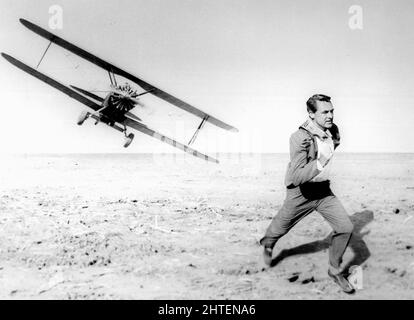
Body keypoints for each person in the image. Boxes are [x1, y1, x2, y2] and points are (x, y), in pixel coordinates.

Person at [260, 94, 355, 294]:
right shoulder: (299, 137)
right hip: (301, 193)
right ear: (311, 114)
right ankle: (268, 243)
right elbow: (296, 176)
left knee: (345, 227)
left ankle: (334, 270)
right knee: (280, 227)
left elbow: (334, 142)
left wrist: (327, 154)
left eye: (332, 111)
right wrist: (320, 163)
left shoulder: (333, 130)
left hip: (323, 192)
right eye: (325, 112)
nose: (330, 116)